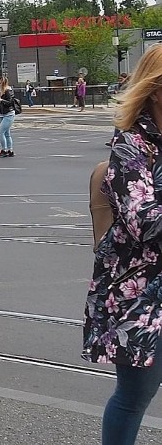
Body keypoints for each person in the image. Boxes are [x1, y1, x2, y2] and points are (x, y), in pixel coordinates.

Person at [82, 45, 162, 445]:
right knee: (135, 395)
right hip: (141, 292)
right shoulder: (131, 147)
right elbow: (144, 221)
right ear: (157, 89)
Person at [0, 77, 16, 158]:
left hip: (8, 113)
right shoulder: (0, 91)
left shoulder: (8, 90)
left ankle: (4, 150)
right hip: (2, 113)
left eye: (0, 83)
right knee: (7, 133)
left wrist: (1, 100)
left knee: (0, 133)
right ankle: (10, 150)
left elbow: (11, 102)